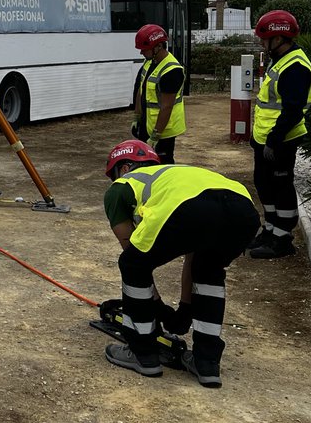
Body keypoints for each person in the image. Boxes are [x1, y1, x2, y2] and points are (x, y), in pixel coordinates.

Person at [102, 139, 258, 388]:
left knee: (132, 264)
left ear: (123, 168)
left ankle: (142, 353)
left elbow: (136, 261)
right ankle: (206, 362)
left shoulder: (121, 186)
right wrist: (184, 309)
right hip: (243, 210)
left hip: (190, 209)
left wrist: (158, 308)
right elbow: (193, 256)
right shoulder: (175, 177)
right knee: (208, 271)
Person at [249, 10, 311, 259]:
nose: (261, 42)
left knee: (281, 186)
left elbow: (292, 110)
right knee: (263, 183)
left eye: (264, 38)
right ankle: (270, 229)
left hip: (281, 140)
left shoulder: (295, 67)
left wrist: (274, 140)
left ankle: (283, 238)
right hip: (266, 138)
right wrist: (258, 137)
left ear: (278, 38)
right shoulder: (280, 59)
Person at [131, 24, 185, 164]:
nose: (141, 52)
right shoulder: (149, 62)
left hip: (163, 131)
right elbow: (141, 90)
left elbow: (167, 106)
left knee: (163, 165)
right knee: (145, 165)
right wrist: (137, 116)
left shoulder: (172, 71)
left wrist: (156, 135)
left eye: (144, 49)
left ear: (158, 47)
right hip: (148, 125)